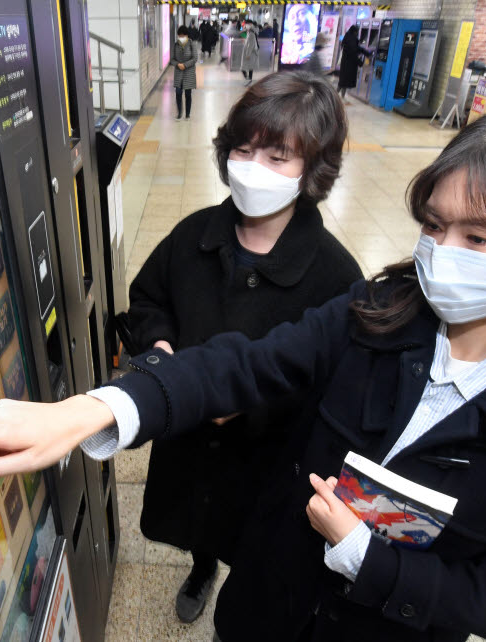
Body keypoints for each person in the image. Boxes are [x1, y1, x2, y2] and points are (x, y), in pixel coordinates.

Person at [0, 104, 486, 641]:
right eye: (434, 226)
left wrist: (369, 559)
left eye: (481, 237)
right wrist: (98, 408)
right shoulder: (374, 313)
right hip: (261, 608)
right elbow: (241, 364)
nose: (443, 252)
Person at [125, 71, 362, 623]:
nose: (254, 168)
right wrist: (159, 347)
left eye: (278, 157)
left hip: (270, 454)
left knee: (259, 536)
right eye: (244, 149)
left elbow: (336, 379)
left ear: (312, 171)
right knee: (199, 522)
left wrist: (254, 402)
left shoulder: (335, 274)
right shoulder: (194, 234)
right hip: (187, 435)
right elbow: (148, 297)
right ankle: (202, 565)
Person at [338, 25, 371, 102]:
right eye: (357, 31)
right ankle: (337, 96)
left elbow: (357, 48)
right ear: (355, 31)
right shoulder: (351, 39)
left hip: (346, 64)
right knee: (343, 82)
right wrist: (360, 63)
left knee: (343, 82)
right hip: (348, 65)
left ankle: (340, 97)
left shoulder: (349, 37)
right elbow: (353, 53)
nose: (358, 33)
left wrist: (366, 53)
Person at [172, 26, 196, 121]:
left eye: (182, 36)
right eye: (179, 36)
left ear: (186, 35)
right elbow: (172, 59)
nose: (181, 37)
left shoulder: (191, 44)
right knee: (178, 92)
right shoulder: (176, 45)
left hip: (189, 72)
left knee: (188, 94)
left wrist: (185, 65)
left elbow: (195, 58)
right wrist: (178, 64)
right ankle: (179, 113)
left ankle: (187, 114)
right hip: (178, 73)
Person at [241, 20, 259, 85]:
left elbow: (251, 45)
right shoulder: (250, 32)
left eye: (246, 24)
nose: (245, 26)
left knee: (243, 68)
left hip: (250, 53)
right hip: (249, 52)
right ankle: (249, 79)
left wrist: (248, 54)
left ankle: (248, 79)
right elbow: (249, 42)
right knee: (250, 67)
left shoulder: (251, 34)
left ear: (250, 24)